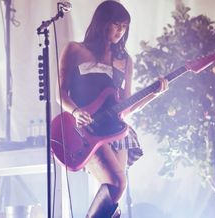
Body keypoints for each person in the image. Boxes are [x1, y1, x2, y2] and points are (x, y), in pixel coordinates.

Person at [56, 1, 168, 217]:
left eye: (124, 26)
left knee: (116, 190)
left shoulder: (125, 60)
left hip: (116, 130)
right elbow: (60, 93)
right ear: (102, 23)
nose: (120, 31)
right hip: (86, 129)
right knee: (117, 183)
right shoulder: (75, 49)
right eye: (116, 24)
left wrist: (154, 93)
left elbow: (125, 107)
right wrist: (76, 112)